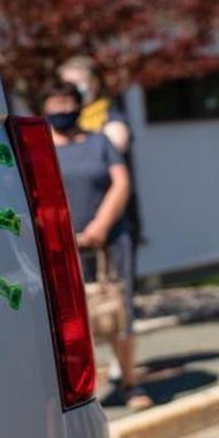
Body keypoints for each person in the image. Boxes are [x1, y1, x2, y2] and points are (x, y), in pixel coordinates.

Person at [41, 81, 152, 410]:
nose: (61, 110)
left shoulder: (99, 142)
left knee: (118, 311)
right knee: (68, 319)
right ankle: (80, 391)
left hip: (109, 241)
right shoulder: (39, 146)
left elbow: (121, 182)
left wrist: (99, 227)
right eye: (54, 103)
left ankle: (129, 382)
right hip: (60, 245)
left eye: (67, 103)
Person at [58, 55, 143, 384]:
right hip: (71, 237)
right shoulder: (51, 133)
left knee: (116, 303)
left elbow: (118, 149)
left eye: (75, 84)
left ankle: (127, 374)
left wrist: (100, 226)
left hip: (109, 232)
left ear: (91, 84)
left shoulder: (109, 119)